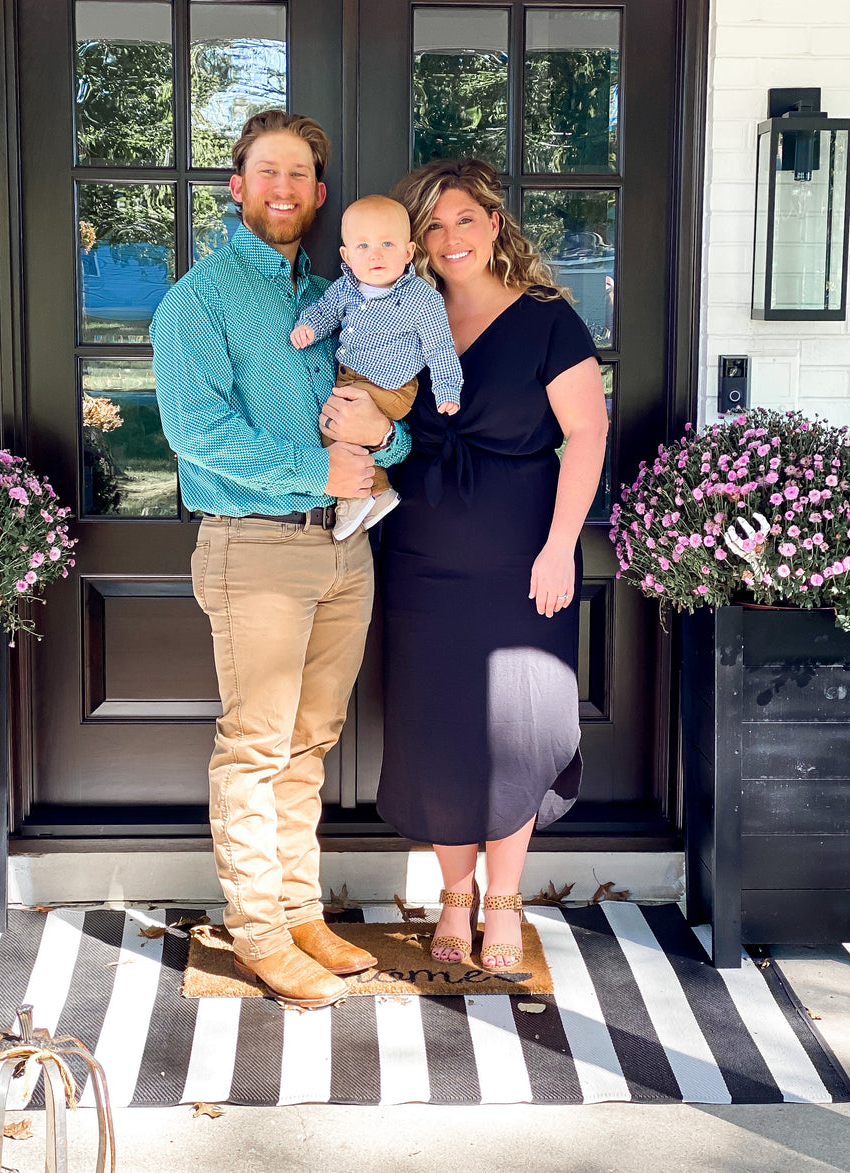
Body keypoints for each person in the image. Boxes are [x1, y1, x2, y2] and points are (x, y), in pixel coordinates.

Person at [150, 110, 409, 1009]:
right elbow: (194, 432)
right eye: (267, 172)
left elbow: (382, 407)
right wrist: (317, 466)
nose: (284, 189)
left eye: (299, 174)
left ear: (321, 192)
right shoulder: (199, 300)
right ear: (239, 186)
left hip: (345, 547)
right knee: (256, 746)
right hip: (255, 549)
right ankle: (258, 931)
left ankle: (300, 911)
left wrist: (389, 436)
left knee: (311, 743)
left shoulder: (339, 295)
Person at [377, 158, 609, 970]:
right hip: (420, 554)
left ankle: (505, 900)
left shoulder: (548, 318)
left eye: (464, 219)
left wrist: (559, 545)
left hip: (521, 553)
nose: (449, 238)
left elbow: (587, 432)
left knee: (516, 723)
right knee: (438, 723)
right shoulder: (405, 314)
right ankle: (454, 895)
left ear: (495, 224)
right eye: (433, 226)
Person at [291, 194, 462, 540]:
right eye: (364, 245)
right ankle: (378, 492)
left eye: (387, 243)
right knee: (342, 425)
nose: (376, 254)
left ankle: (354, 498)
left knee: (336, 427)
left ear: (409, 252)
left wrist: (447, 389)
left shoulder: (420, 297)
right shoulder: (346, 288)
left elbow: (440, 346)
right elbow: (324, 313)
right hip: (350, 376)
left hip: (392, 386)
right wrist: (309, 327)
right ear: (347, 255)